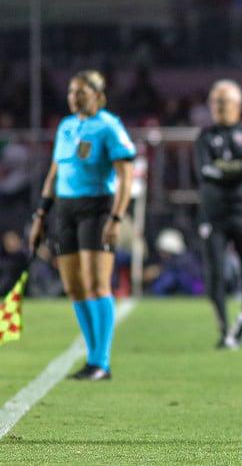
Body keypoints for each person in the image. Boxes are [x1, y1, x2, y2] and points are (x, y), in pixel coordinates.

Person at [28, 69, 136, 381]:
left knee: (96, 284)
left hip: (97, 208)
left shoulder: (109, 127)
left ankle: (101, 361)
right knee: (74, 287)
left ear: (99, 96)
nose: (74, 98)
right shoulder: (65, 126)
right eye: (71, 92)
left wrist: (116, 218)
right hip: (65, 209)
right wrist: (40, 215)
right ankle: (92, 358)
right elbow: (54, 172)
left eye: (81, 92)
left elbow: (126, 177)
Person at [194, 79, 242, 349]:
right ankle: (224, 331)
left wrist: (224, 167)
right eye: (213, 102)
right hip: (213, 214)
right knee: (214, 274)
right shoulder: (204, 137)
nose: (216, 107)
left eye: (221, 102)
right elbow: (204, 171)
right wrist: (240, 165)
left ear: (237, 105)